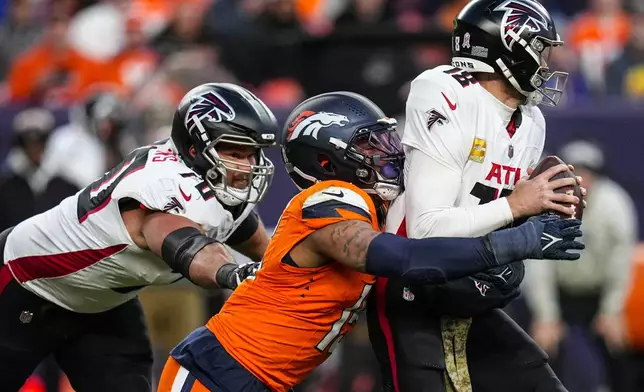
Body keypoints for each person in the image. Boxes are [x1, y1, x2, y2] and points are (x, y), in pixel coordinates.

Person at [157, 91, 584, 392]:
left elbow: (440, 233)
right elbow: (403, 258)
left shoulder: (375, 207)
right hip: (215, 371)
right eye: (370, 143)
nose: (389, 152)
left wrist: (520, 210)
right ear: (327, 159)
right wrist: (513, 238)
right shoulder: (327, 201)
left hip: (265, 378)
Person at [0, 82, 278, 392]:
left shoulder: (216, 186)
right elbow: (184, 244)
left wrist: (288, 269)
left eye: (253, 153)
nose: (247, 166)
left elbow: (252, 238)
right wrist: (233, 273)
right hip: (25, 282)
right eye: (235, 152)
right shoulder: (162, 182)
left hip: (102, 301)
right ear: (194, 148)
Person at [367, 1, 583, 391]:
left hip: (469, 284)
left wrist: (536, 218)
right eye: (540, 50)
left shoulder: (532, 119)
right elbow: (426, 229)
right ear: (507, 48)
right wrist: (517, 207)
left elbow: (494, 210)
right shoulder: (446, 92)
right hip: (413, 285)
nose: (547, 64)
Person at [524, 140, 639, 392]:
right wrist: (546, 316)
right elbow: (538, 263)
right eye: (575, 172)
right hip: (560, 290)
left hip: (598, 292)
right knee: (540, 346)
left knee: (616, 344)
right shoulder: (548, 202)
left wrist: (612, 310)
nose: (582, 179)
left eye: (588, 172)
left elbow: (621, 264)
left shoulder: (615, 204)